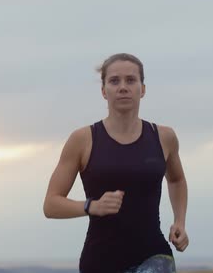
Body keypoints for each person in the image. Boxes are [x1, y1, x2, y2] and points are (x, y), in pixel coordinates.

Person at [43, 53, 189, 273]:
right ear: (104, 91)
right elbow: (51, 205)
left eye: (131, 80)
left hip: (154, 258)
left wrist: (180, 221)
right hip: (101, 261)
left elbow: (176, 180)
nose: (123, 87)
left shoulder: (163, 137)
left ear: (143, 89)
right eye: (114, 81)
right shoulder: (82, 140)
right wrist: (91, 206)